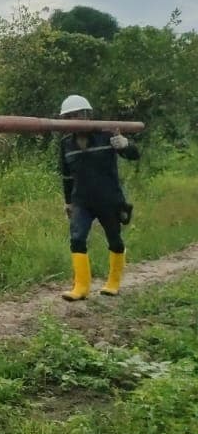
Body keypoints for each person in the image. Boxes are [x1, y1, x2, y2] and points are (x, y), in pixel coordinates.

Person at [56, 94, 140, 300]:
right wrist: (68, 201)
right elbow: (66, 175)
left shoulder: (106, 135)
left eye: (75, 115)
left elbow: (134, 155)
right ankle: (81, 287)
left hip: (109, 199)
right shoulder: (66, 142)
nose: (72, 121)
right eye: (68, 117)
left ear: (87, 115)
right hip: (81, 201)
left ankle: (113, 282)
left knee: (114, 239)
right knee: (77, 239)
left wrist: (125, 144)